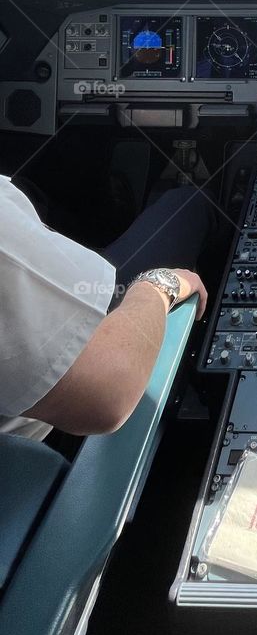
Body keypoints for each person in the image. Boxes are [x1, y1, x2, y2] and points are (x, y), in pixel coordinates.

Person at [0, 180, 216, 442]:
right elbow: (109, 394)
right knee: (191, 203)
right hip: (46, 434)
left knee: (37, 192)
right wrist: (158, 284)